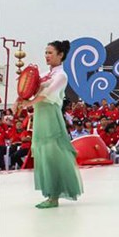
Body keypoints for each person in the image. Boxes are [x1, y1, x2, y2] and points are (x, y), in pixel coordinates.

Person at [14, 40, 83, 208]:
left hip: (51, 116)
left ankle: (54, 196)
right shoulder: (46, 74)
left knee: (52, 154)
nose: (47, 56)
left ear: (61, 55)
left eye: (50, 53)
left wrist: (28, 104)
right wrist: (21, 98)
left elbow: (47, 94)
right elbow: (32, 89)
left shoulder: (61, 75)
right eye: (46, 52)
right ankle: (51, 193)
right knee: (43, 154)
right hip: (41, 116)